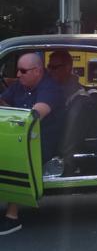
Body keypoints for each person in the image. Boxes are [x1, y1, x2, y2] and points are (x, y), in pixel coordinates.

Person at [0, 53, 64, 235]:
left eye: (22, 71)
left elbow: (35, 115)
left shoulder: (49, 88)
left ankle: (12, 218)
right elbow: (5, 101)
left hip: (44, 140)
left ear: (37, 71)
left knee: (14, 156)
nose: (18, 75)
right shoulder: (21, 86)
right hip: (28, 136)